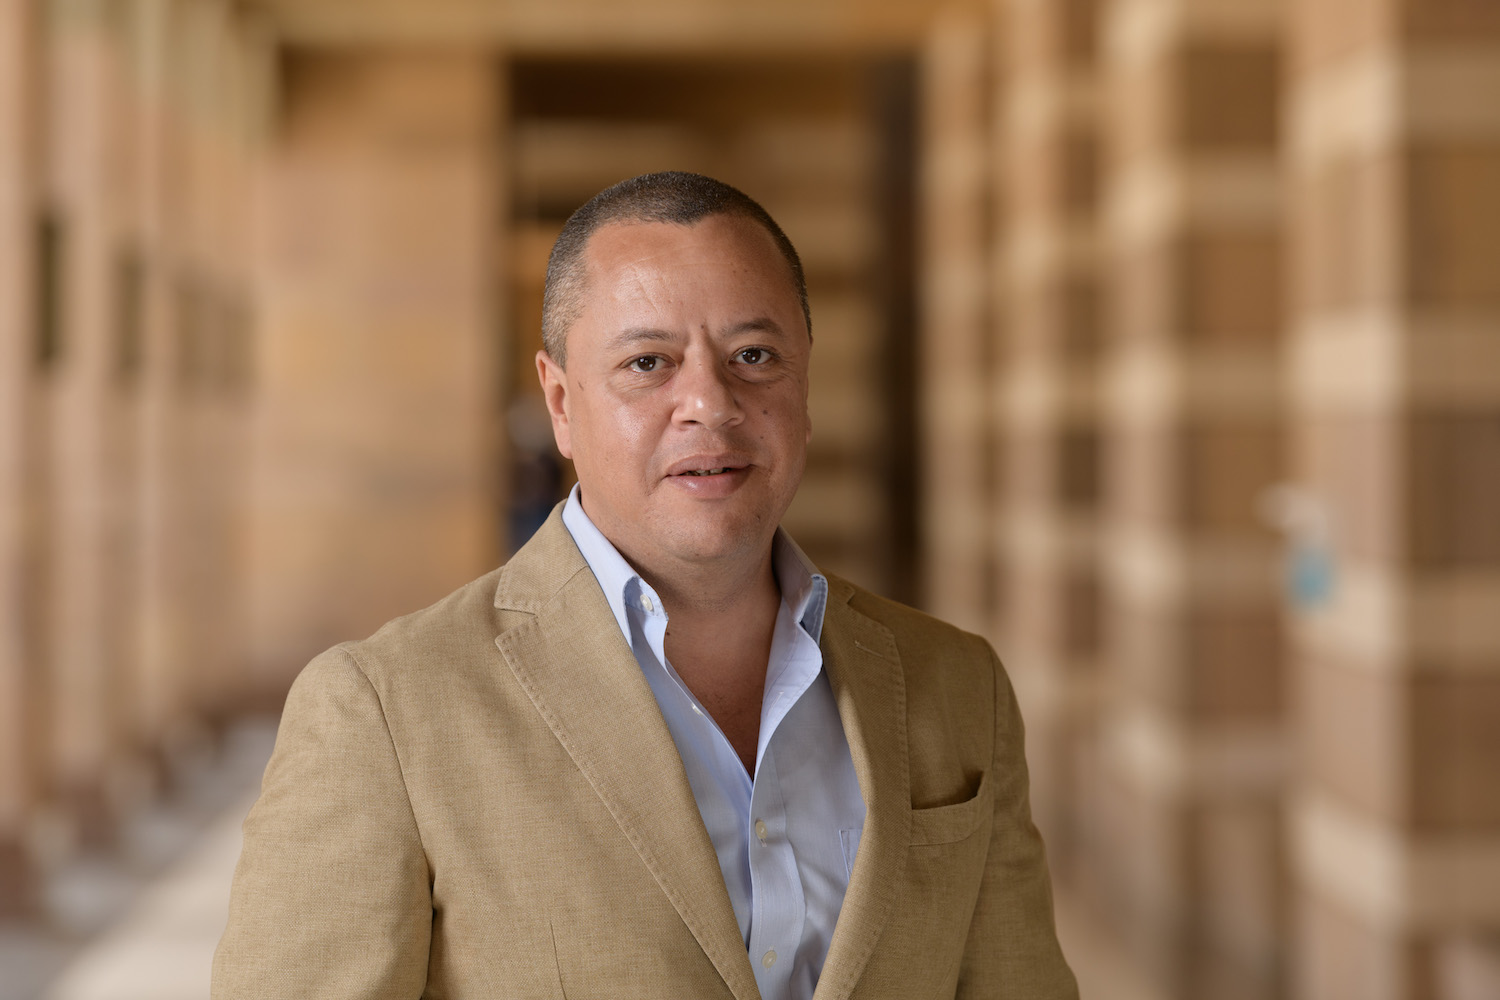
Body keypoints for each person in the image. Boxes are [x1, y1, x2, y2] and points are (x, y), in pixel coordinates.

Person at [212, 171, 1077, 999]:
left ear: (805, 383)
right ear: (559, 403)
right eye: (648, 364)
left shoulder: (959, 688)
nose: (710, 403)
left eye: (753, 353)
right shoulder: (383, 714)